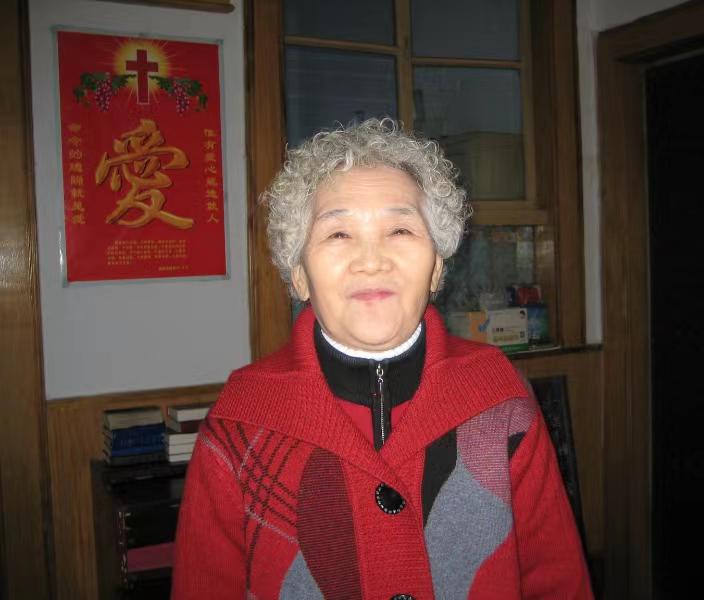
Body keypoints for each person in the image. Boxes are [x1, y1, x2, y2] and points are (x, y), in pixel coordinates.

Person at [171, 118, 592, 599]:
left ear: (436, 268)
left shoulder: (500, 400)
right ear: (299, 275)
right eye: (338, 234)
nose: (371, 260)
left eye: (399, 229)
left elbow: (558, 582)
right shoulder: (239, 424)